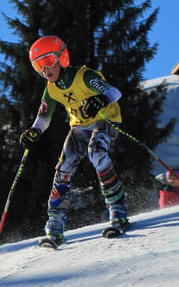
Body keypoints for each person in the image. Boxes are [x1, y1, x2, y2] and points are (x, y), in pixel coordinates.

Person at [20, 35, 127, 245]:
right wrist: (34, 132)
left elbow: (115, 92)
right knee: (64, 167)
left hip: (106, 121)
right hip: (79, 127)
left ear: (62, 57)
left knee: (96, 152)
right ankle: (55, 224)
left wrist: (100, 99)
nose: (45, 69)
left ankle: (118, 210)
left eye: (48, 61)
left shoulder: (84, 75)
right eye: (38, 65)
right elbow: (43, 118)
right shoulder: (51, 89)